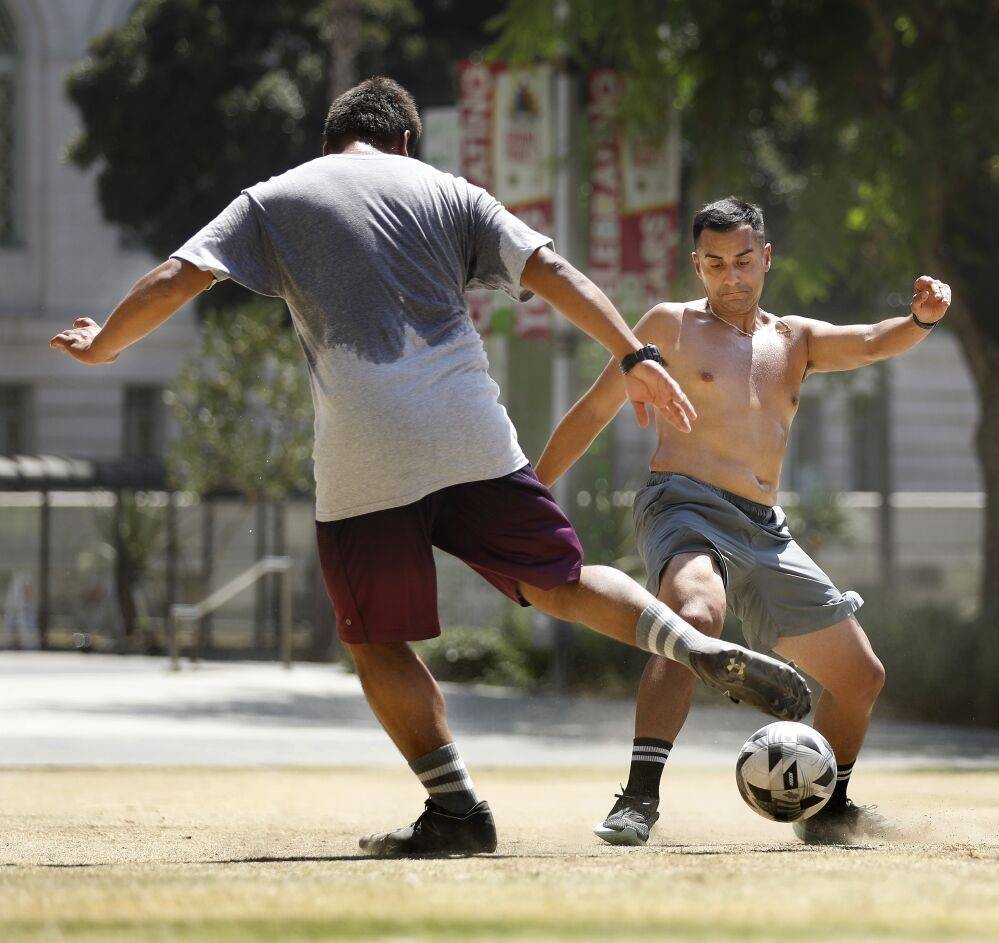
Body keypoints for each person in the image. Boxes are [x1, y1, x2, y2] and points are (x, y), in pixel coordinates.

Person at [49, 78, 809, 857]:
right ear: (405, 141)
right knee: (561, 579)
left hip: (363, 453)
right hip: (470, 431)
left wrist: (105, 342)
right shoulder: (451, 192)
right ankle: (690, 642)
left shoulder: (276, 196)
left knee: (376, 640)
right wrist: (634, 353)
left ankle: (456, 809)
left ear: (331, 140)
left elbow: (182, 274)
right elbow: (553, 272)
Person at [535, 196, 951, 845]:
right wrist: (531, 491)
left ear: (766, 258)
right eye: (716, 263)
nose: (731, 276)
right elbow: (593, 412)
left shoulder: (795, 340)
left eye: (744, 261)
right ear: (697, 264)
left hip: (764, 528)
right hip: (683, 503)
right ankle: (638, 798)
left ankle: (828, 808)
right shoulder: (667, 326)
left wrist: (920, 319)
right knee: (693, 618)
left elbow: (872, 342)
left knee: (861, 676)